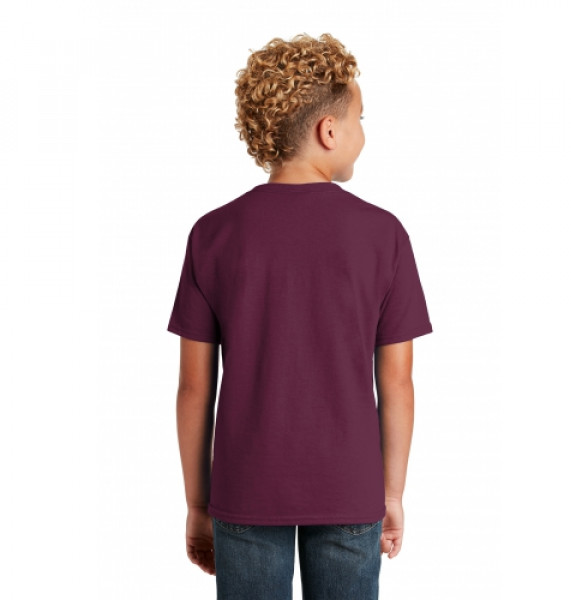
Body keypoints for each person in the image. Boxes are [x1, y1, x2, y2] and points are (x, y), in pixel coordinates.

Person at [166, 32, 433, 600]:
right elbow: (398, 383)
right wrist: (391, 494)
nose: (364, 133)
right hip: (349, 490)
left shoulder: (212, 234)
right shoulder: (383, 235)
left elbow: (194, 388)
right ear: (329, 131)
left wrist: (197, 504)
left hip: (245, 490)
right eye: (361, 118)